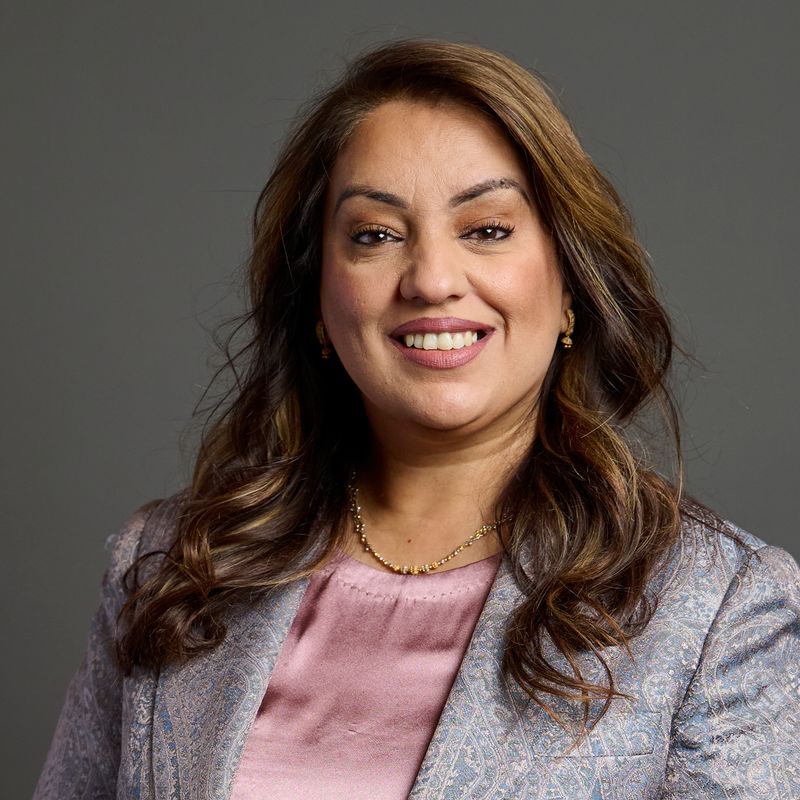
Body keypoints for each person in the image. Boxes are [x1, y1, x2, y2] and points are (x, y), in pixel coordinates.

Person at [34, 38, 799, 800]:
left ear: (570, 282)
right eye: (376, 235)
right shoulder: (168, 569)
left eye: (486, 230)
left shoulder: (717, 610)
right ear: (317, 298)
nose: (431, 280)